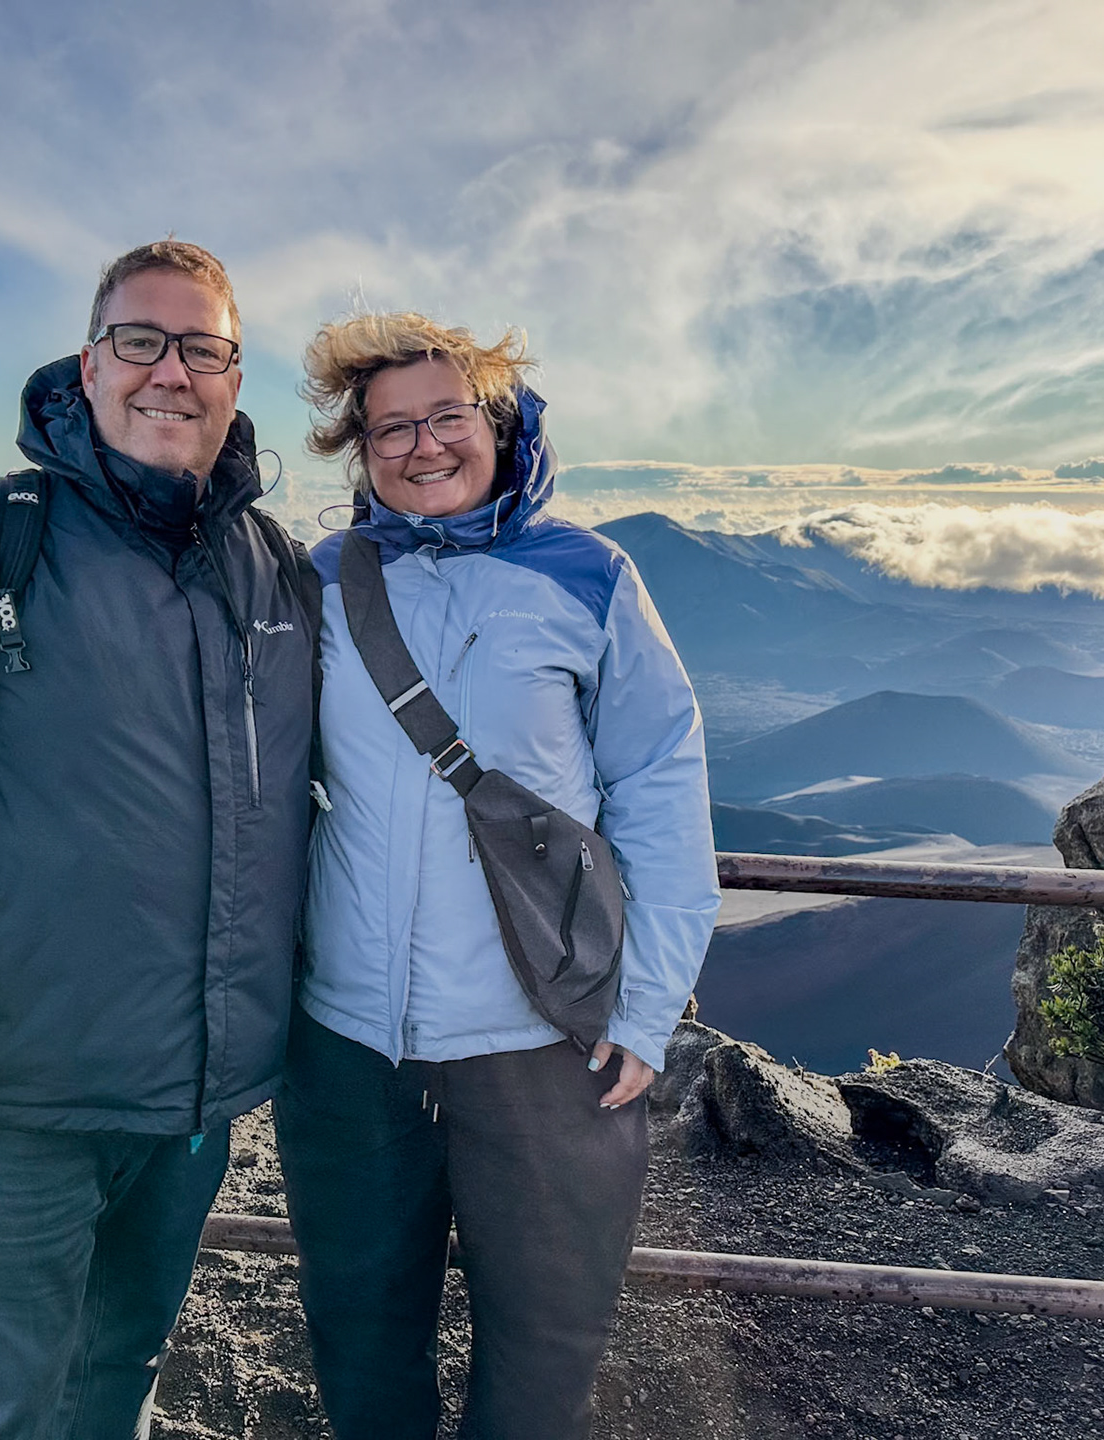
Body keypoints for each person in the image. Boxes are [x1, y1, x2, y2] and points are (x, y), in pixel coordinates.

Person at [0, 240, 317, 1440]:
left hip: (193, 1102)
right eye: (140, 341)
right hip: (15, 1098)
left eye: (203, 348)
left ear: (236, 378)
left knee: (114, 1382)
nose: (169, 373)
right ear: (88, 367)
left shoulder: (271, 570)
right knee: (1, 1411)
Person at [274, 311, 719, 1439]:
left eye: (445, 417)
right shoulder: (324, 579)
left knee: (542, 1361)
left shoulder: (589, 576)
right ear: (358, 450)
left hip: (543, 1037)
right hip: (348, 1042)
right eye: (391, 430)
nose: (422, 447)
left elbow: (663, 790)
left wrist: (650, 1008)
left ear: (500, 421)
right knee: (362, 1345)